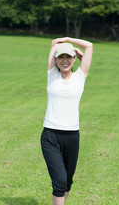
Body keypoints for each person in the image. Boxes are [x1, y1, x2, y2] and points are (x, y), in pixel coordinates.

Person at [41, 37, 93, 205]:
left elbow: (89, 46)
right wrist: (57, 45)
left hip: (72, 137)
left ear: (73, 59)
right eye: (61, 57)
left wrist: (69, 40)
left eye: (68, 57)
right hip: (51, 136)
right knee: (60, 181)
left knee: (67, 182)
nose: (64, 61)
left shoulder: (80, 76)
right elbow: (53, 45)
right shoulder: (52, 75)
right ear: (55, 60)